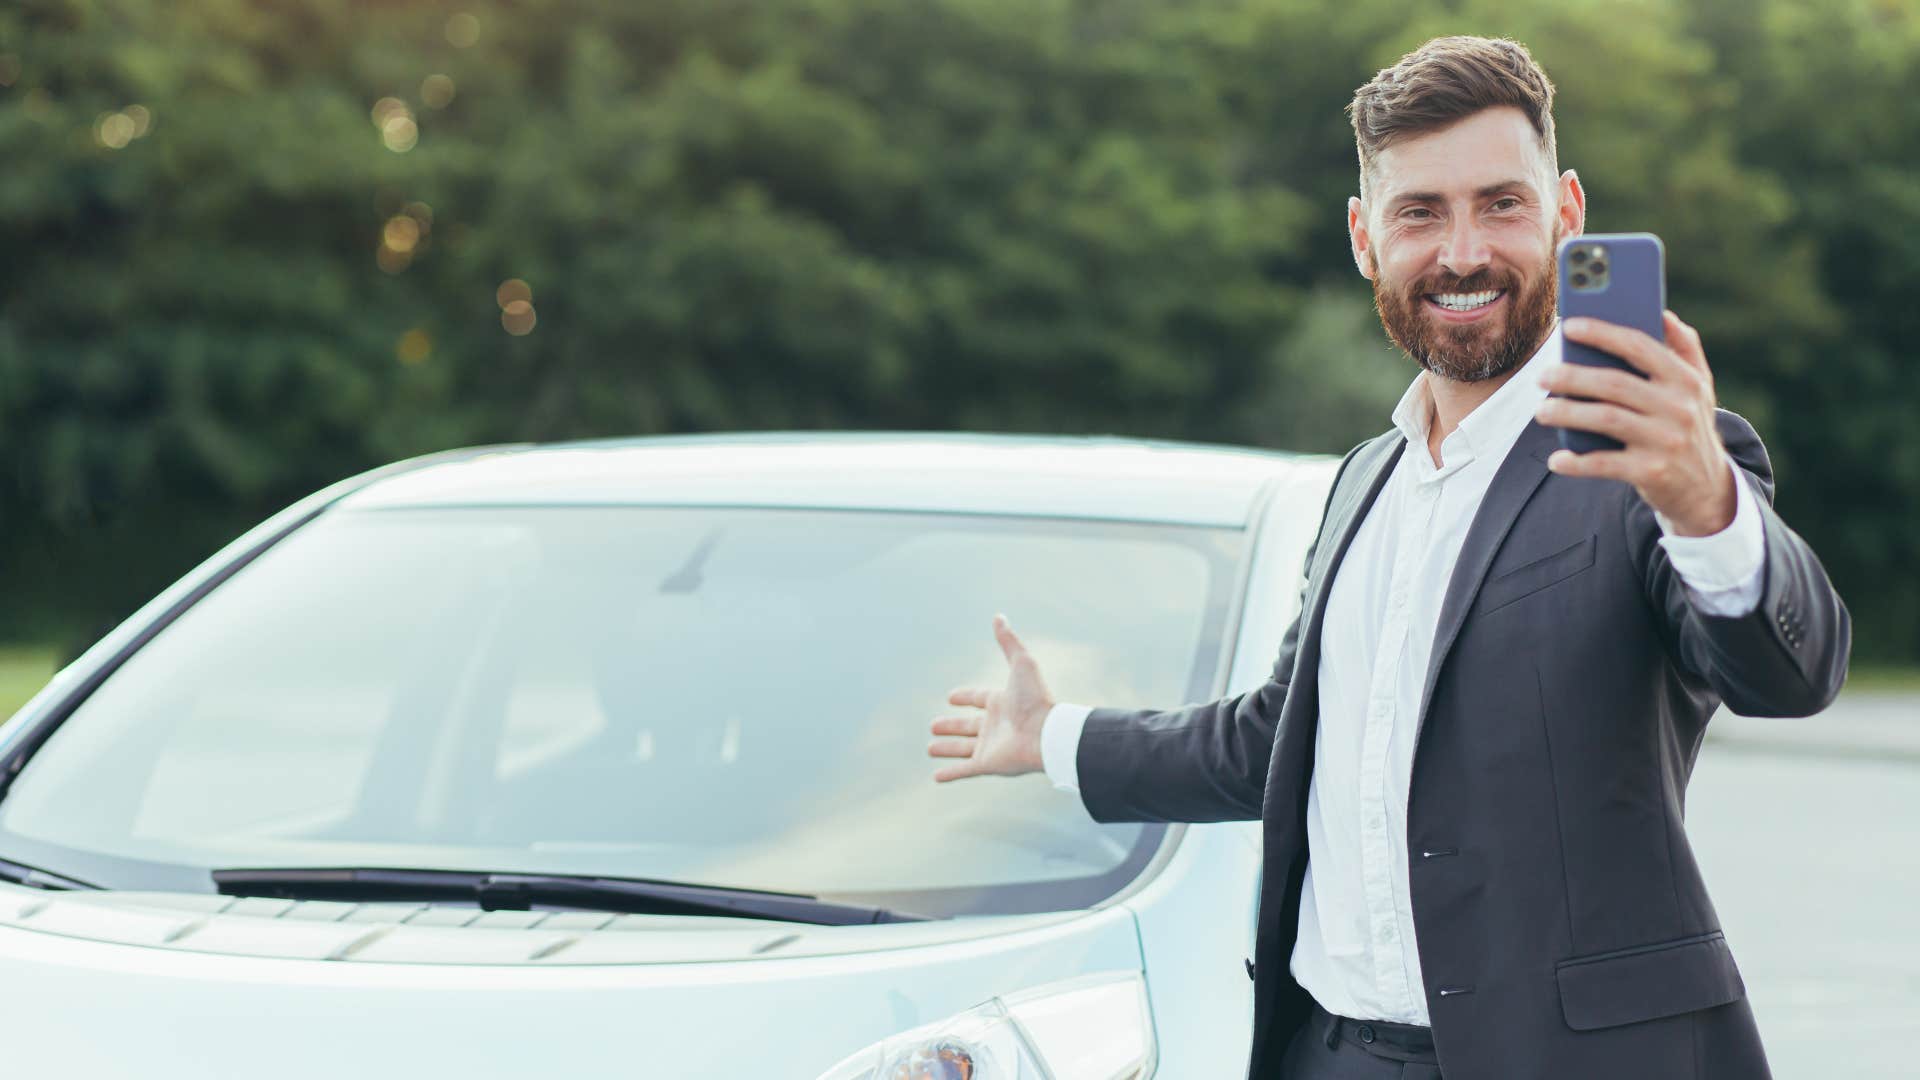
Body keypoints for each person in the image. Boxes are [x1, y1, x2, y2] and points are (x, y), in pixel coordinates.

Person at [925, 35, 1849, 1080]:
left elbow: (1790, 672)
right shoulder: (1365, 480)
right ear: (1367, 239)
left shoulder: (1658, 459)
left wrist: (1704, 505)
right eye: (1421, 212)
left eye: (1502, 203)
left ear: (1568, 214)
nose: (1463, 253)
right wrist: (1053, 737)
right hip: (1332, 1054)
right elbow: (1276, 741)